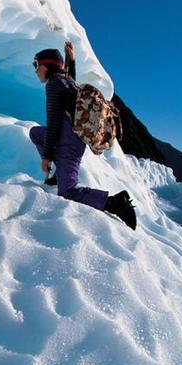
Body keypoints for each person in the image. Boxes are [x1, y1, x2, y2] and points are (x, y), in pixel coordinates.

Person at [29, 42, 137, 230]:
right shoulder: (65, 82)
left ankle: (116, 203)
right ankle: (57, 175)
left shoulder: (54, 85)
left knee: (68, 192)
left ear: (47, 66)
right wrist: (71, 60)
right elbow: (71, 80)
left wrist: (46, 157)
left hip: (68, 143)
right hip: (72, 138)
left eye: (36, 65)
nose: (36, 71)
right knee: (35, 133)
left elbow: (54, 123)